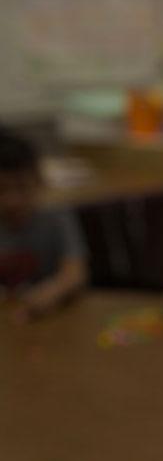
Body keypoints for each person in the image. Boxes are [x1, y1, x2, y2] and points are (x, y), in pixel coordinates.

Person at [0, 129, 88, 322]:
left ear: (38, 180)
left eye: (22, 187)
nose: (12, 200)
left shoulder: (55, 214)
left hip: (53, 317)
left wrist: (51, 293)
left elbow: (75, 273)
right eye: (1, 189)